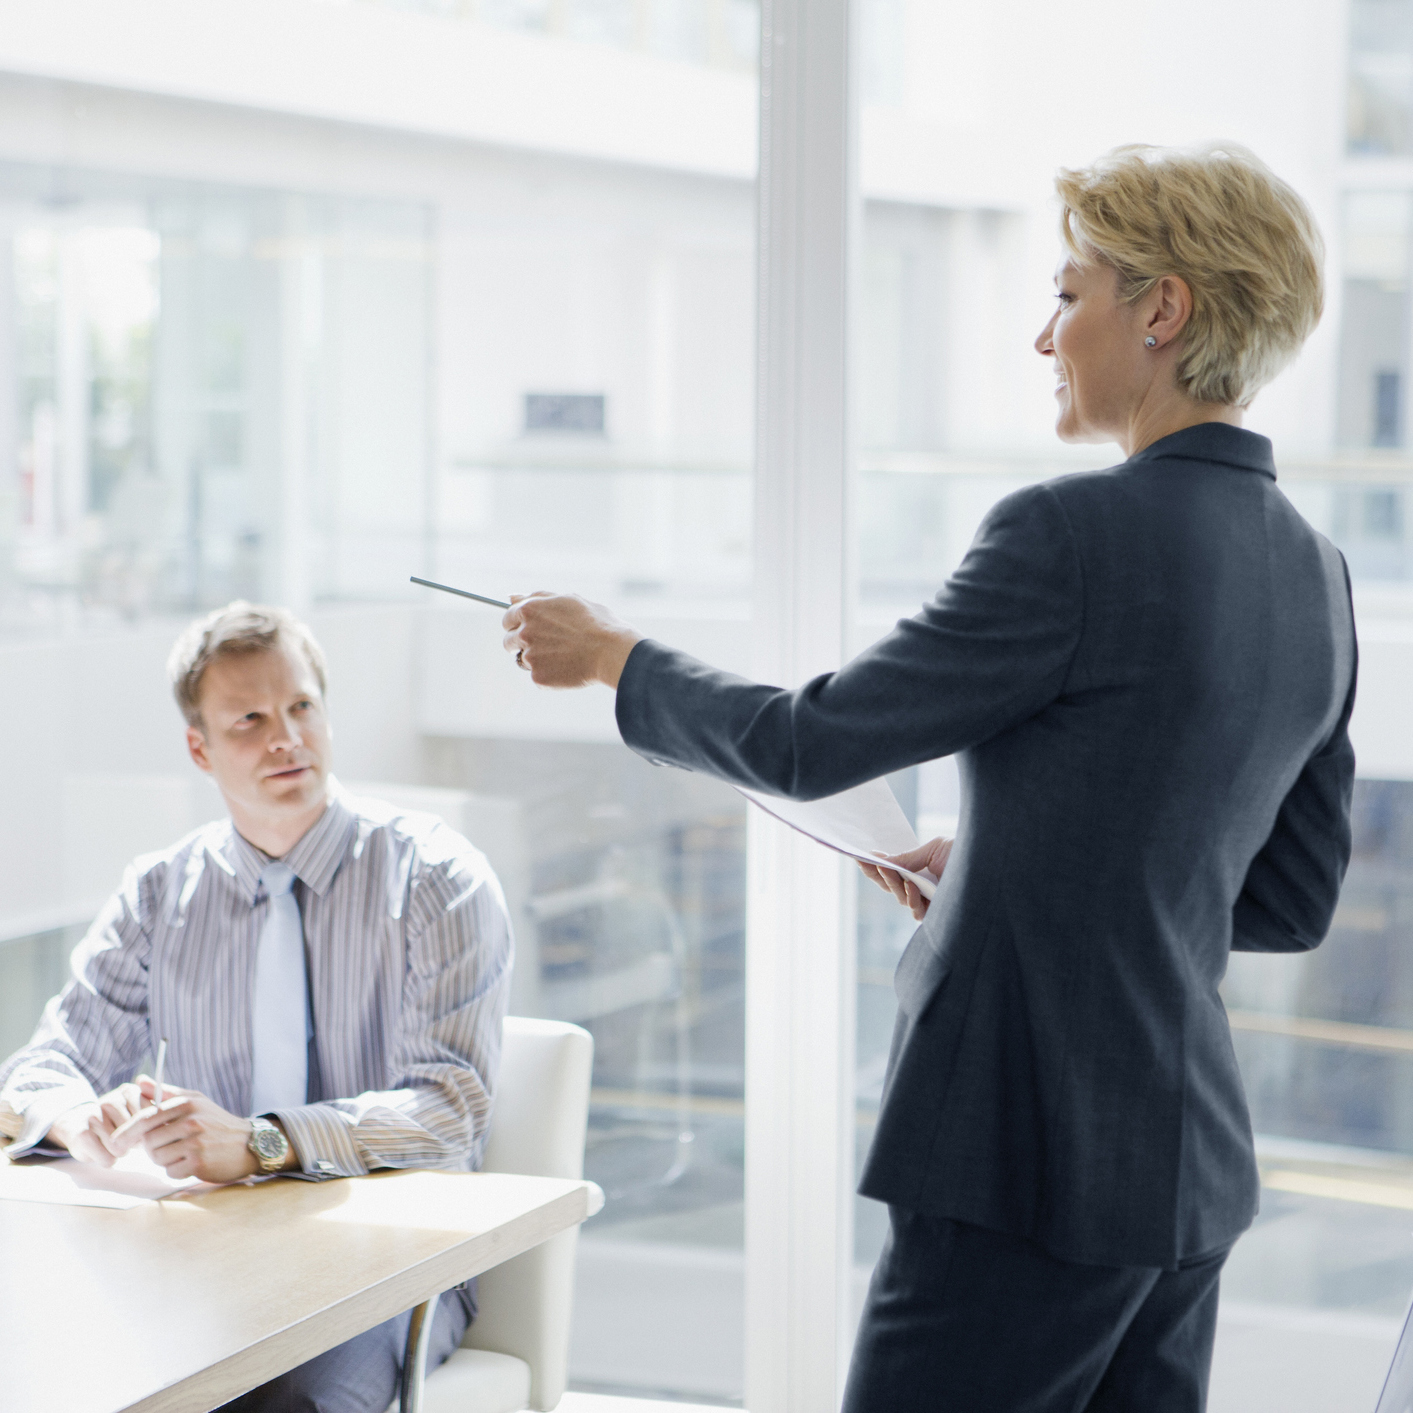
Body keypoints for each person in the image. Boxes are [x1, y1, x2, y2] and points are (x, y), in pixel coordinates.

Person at [499, 144, 1356, 1412]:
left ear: (1162, 311)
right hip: (1186, 1179)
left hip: (1024, 1164)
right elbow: (1283, 901)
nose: (1043, 334)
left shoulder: (1067, 534)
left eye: (1070, 295)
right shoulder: (1317, 572)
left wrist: (614, 659)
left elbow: (809, 742)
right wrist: (1011, 863)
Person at [0, 602, 512, 1413]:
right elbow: (40, 1067)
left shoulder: (437, 876)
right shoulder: (160, 890)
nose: (287, 737)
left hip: (388, 1262)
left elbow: (452, 1107)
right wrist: (80, 1118)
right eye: (249, 719)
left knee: (286, 1402)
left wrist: (263, 1141)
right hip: (209, 1254)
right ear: (199, 747)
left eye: (301, 706)